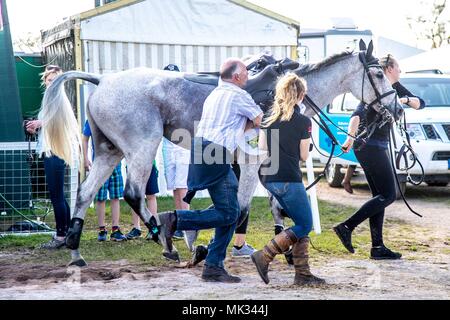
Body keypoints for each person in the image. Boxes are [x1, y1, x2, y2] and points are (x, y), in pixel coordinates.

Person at [158, 58, 263, 283]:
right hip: (216, 152)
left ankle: (214, 265)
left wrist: (237, 129)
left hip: (201, 148)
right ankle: (175, 220)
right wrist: (244, 128)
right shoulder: (239, 95)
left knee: (229, 209)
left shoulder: (215, 93)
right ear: (236, 77)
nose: (248, 75)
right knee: (229, 212)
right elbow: (259, 118)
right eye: (245, 71)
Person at [334, 54, 425, 259]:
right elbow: (356, 115)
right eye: (398, 67)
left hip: (376, 146)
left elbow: (421, 103)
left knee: (379, 196)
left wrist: (405, 100)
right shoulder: (376, 89)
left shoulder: (395, 88)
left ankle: (377, 247)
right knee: (389, 194)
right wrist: (350, 138)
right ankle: (346, 227)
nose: (400, 71)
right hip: (369, 145)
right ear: (389, 69)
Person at [251, 73, 325, 286]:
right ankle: (264, 255)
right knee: (305, 224)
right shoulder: (303, 121)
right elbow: (303, 156)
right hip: (289, 178)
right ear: (301, 95)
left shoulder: (268, 118)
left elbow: (262, 148)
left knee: (299, 222)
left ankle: (303, 274)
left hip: (270, 179)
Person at [26, 65, 70, 249]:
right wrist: (35, 127)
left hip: (55, 152)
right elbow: (49, 125)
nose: (52, 83)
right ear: (45, 81)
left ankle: (61, 236)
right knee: (58, 195)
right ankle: (66, 233)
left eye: (55, 80)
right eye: (49, 80)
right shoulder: (51, 98)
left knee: (57, 195)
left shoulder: (59, 99)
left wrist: (39, 123)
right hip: (50, 149)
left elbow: (57, 121)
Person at [82, 120, 127, 242]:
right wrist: (85, 159)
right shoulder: (92, 119)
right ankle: (101, 229)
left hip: (115, 164)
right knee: (100, 198)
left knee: (115, 197)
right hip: (99, 164)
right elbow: (85, 138)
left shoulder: (115, 117)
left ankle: (115, 229)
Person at [125, 161, 159, 240]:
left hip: (149, 163)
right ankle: (136, 228)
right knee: (135, 196)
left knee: (150, 195)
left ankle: (153, 229)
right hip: (132, 165)